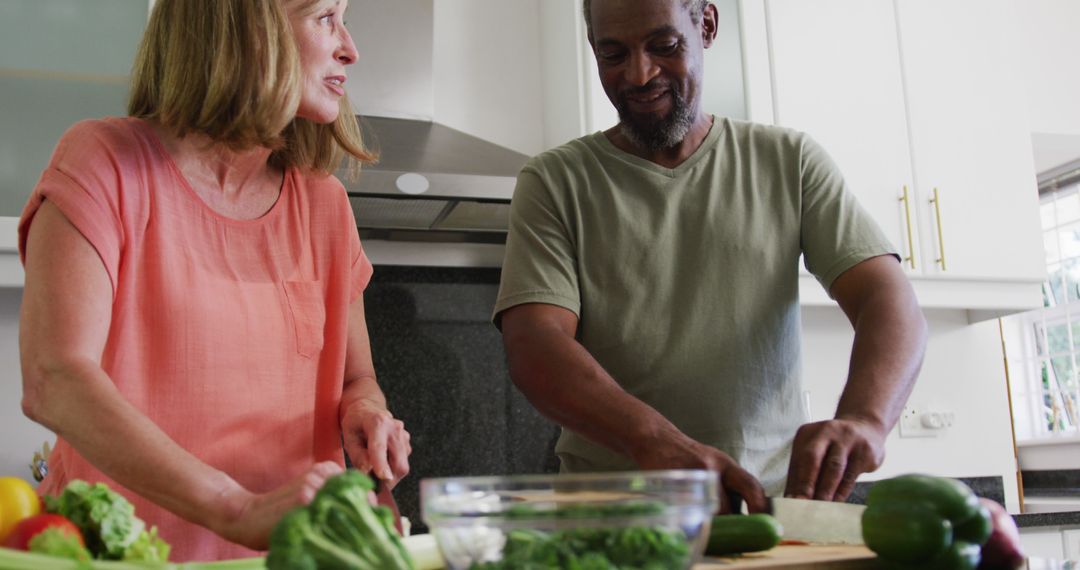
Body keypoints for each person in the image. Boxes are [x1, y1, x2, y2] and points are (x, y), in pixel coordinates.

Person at [493, 0, 928, 514]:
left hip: (766, 512)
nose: (639, 73)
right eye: (614, 53)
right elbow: (535, 342)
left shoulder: (788, 161)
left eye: (665, 46)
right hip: (611, 517)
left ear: (707, 25)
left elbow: (885, 295)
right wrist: (652, 440)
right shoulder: (555, 181)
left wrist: (866, 420)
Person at [17, 0, 410, 561]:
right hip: (121, 556)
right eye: (325, 16)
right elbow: (54, 377)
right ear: (249, 28)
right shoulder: (104, 164)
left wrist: (366, 414)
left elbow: (356, 379)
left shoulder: (324, 204)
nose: (350, 47)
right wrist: (237, 508)